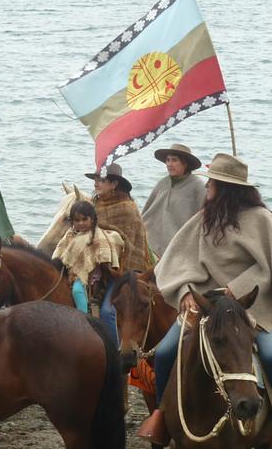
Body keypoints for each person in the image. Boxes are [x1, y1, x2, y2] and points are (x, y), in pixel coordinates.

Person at [138, 153, 272, 446]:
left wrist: (237, 287)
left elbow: (268, 266)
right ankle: (162, 416)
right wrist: (185, 290)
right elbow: (176, 260)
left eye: (212, 182)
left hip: (251, 307)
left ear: (227, 187)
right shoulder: (204, 220)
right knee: (164, 353)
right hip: (205, 305)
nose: (207, 186)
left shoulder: (262, 220)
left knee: (271, 353)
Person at [85, 162, 151, 343]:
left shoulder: (127, 209)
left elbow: (132, 246)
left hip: (124, 273)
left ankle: (115, 355)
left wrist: (113, 269)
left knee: (108, 311)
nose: (96, 184)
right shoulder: (93, 206)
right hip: (95, 269)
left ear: (114, 184)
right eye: (96, 179)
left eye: (102, 180)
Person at [52, 201, 123, 314]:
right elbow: (60, 251)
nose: (81, 223)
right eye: (77, 220)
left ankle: (83, 317)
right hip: (71, 271)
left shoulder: (97, 236)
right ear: (72, 221)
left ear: (92, 219)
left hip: (90, 274)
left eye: (84, 219)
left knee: (77, 291)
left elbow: (102, 256)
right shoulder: (70, 234)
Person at [141, 143, 207, 258]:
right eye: (167, 160)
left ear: (185, 163)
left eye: (174, 160)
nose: (169, 164)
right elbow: (148, 213)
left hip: (181, 247)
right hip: (152, 245)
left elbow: (204, 218)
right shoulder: (162, 183)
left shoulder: (197, 186)